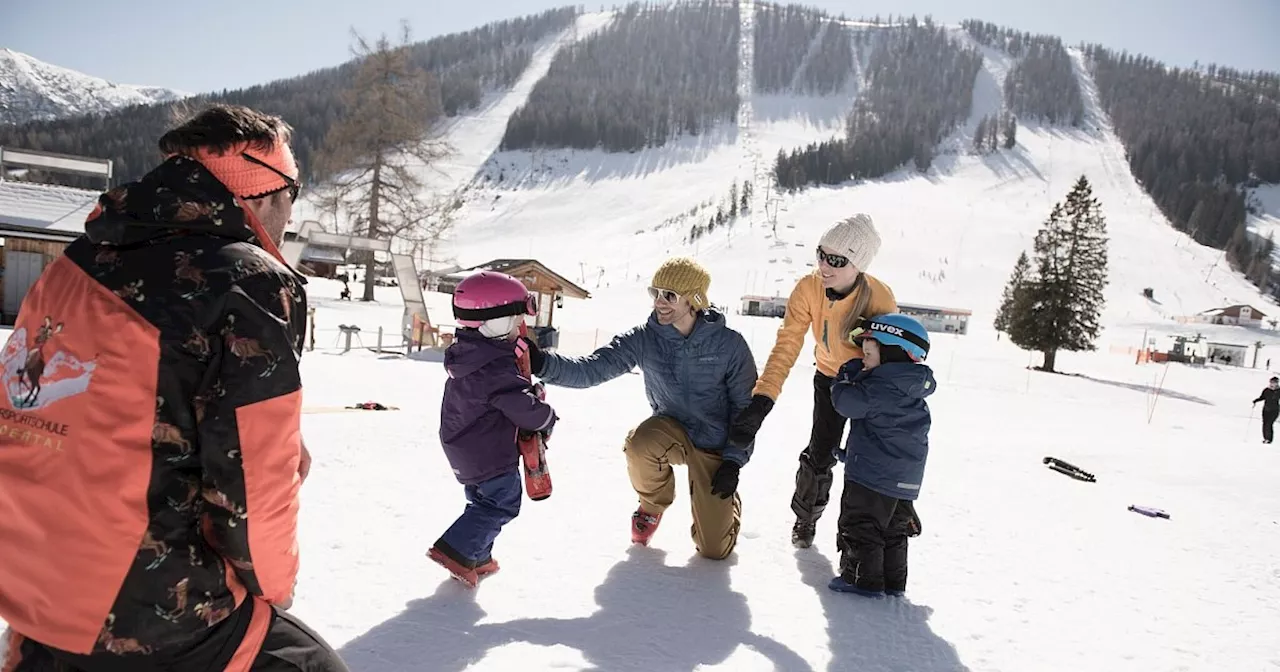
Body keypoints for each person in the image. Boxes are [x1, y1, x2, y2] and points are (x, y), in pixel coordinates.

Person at [0, 104, 349, 671]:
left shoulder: (79, 260)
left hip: (29, 576)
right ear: (263, 195)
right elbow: (253, 482)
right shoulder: (246, 279)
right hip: (137, 603)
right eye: (293, 195)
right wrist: (273, 587)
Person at [522, 257, 757, 560]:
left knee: (713, 550)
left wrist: (733, 461)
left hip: (715, 443)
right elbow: (593, 369)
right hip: (669, 430)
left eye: (669, 295)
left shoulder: (730, 346)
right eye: (655, 293)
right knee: (640, 444)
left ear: (694, 300)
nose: (659, 302)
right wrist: (542, 362)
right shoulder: (644, 339)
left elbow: (746, 408)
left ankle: (725, 509)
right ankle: (652, 505)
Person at [726, 214, 898, 548]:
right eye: (821, 253)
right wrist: (763, 399)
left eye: (836, 260)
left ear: (857, 265)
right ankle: (805, 518)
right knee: (820, 453)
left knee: (871, 458)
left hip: (869, 384)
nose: (824, 265)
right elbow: (787, 344)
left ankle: (864, 531)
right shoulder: (808, 289)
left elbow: (892, 355)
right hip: (830, 380)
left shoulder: (879, 298)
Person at [431, 271, 558, 587]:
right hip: (489, 453)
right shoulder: (495, 369)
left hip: (466, 447)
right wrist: (546, 417)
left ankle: (479, 555)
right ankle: (457, 549)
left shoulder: (470, 356)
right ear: (493, 324)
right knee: (502, 503)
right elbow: (520, 407)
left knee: (483, 502)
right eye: (515, 321)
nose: (519, 327)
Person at [826, 313, 934, 598]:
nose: (863, 359)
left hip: (872, 478)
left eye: (868, 354)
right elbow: (885, 432)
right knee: (894, 532)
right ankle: (894, 582)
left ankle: (861, 580)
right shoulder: (910, 388)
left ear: (890, 351)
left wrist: (845, 377)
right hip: (905, 481)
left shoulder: (877, 387)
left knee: (861, 526)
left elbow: (845, 402)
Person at [1252, 376, 1280, 444]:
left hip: (1275, 410)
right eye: (1271, 382)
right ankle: (1265, 438)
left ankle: (1269, 439)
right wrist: (1256, 400)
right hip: (1266, 409)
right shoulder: (1266, 390)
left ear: (1277, 383)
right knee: (1265, 424)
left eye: (1274, 382)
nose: (1272, 384)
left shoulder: (1279, 391)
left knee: (1269, 424)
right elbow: (1262, 397)